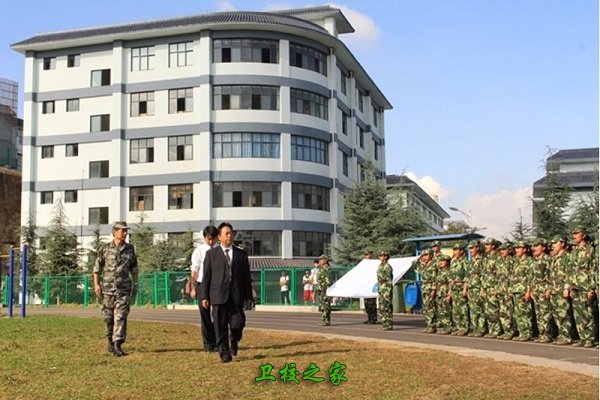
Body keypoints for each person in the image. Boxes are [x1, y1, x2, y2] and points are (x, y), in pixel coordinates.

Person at [200, 222, 253, 363]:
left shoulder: (241, 255)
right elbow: (206, 277)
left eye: (231, 233)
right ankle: (224, 353)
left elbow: (246, 277)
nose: (229, 236)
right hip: (218, 296)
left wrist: (249, 297)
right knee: (220, 326)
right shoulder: (211, 255)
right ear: (219, 237)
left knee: (238, 323)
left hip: (236, 296)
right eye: (226, 234)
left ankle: (234, 339)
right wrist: (204, 296)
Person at [93, 221, 138, 357]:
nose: (124, 233)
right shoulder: (105, 248)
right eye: (122, 230)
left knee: (121, 316)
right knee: (108, 318)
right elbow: (97, 268)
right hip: (107, 290)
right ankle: (110, 341)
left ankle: (118, 343)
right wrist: (96, 284)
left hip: (123, 289)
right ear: (114, 232)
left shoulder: (130, 249)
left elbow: (134, 268)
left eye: (126, 231)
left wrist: (135, 284)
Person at [189, 225, 218, 352]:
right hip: (202, 285)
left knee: (218, 314)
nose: (211, 242)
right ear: (205, 237)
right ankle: (208, 344)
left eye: (213, 239)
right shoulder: (199, 251)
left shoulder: (220, 250)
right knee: (205, 314)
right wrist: (193, 288)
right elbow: (194, 271)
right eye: (208, 239)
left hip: (216, 285)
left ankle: (218, 341)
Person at [569, 226, 597, 348]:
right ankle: (582, 337)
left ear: (583, 235)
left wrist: (592, 288)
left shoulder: (590, 250)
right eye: (573, 233)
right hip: (575, 286)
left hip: (585, 285)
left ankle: (590, 338)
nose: (574, 236)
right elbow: (570, 270)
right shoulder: (574, 251)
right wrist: (569, 287)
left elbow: (593, 269)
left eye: (577, 233)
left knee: (587, 313)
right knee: (578, 314)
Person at [549, 235, 573, 345]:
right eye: (552, 243)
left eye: (555, 243)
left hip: (562, 289)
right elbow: (551, 275)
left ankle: (566, 336)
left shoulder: (567, 257)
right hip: (554, 289)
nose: (553, 245)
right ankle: (562, 335)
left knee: (564, 313)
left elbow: (569, 273)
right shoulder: (554, 258)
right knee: (556, 314)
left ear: (562, 244)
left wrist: (567, 288)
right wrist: (550, 288)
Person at [510, 241, 533, 342]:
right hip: (516, 290)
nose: (516, 250)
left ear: (525, 249)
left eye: (519, 248)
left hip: (523, 290)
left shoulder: (529, 261)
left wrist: (528, 291)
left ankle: (527, 333)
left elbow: (530, 278)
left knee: (525, 313)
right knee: (518, 314)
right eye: (516, 248)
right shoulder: (516, 261)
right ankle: (521, 332)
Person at [530, 238, 552, 343]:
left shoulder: (548, 259)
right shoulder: (535, 260)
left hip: (544, 287)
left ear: (543, 247)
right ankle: (541, 334)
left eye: (537, 246)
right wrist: (531, 289)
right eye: (534, 246)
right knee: (538, 313)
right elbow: (532, 276)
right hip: (536, 288)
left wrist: (549, 289)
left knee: (545, 312)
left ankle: (547, 334)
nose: (534, 248)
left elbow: (551, 275)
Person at [464, 240, 485, 337]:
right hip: (471, 289)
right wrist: (465, 288)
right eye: (469, 248)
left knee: (479, 310)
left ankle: (481, 329)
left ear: (477, 248)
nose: (470, 250)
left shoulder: (482, 260)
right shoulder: (471, 262)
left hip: (477, 288)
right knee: (473, 310)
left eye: (472, 248)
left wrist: (482, 289)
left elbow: (484, 276)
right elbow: (467, 276)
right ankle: (475, 328)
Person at [449, 244, 469, 336]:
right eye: (454, 250)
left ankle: (464, 328)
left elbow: (467, 275)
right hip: (454, 288)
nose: (455, 252)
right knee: (456, 309)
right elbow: (451, 276)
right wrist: (450, 290)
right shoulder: (453, 262)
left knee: (462, 309)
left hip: (461, 287)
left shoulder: (464, 262)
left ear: (461, 251)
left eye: (457, 250)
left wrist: (465, 288)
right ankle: (459, 327)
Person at [417, 249, 437, 333]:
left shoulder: (434, 265)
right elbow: (416, 267)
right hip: (425, 288)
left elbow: (435, 278)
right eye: (423, 256)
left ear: (431, 255)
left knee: (430, 307)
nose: (424, 257)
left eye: (426, 255)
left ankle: (432, 326)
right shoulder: (424, 265)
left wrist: (433, 290)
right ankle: (429, 325)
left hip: (430, 287)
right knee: (425, 308)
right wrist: (420, 259)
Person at [436, 254, 453, 334]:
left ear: (447, 262)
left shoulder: (449, 272)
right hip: (439, 293)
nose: (441, 262)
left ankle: (448, 327)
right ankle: (444, 326)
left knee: (446, 311)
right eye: (440, 261)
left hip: (445, 293)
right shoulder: (440, 272)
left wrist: (449, 294)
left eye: (443, 261)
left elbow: (450, 283)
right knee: (441, 311)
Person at [377, 250, 393, 331]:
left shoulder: (387, 266)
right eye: (379, 256)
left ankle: (388, 324)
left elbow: (389, 279)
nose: (380, 257)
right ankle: (384, 323)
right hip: (381, 287)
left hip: (386, 287)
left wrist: (388, 291)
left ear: (386, 257)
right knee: (382, 307)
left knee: (387, 306)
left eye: (382, 256)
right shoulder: (380, 266)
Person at [363, 250, 378, 324]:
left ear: (371, 255)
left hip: (372, 287)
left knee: (372, 303)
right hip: (366, 286)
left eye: (368, 255)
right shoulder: (363, 264)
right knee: (366, 304)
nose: (367, 256)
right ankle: (369, 318)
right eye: (366, 255)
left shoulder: (374, 264)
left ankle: (373, 318)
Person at [317, 254, 332, 326]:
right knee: (322, 305)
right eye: (319, 260)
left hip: (325, 289)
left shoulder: (326, 269)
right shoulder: (321, 268)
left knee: (326, 305)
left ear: (325, 260)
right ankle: (324, 320)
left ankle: (326, 321)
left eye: (321, 259)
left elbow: (328, 281)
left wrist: (326, 289)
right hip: (321, 289)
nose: (320, 261)